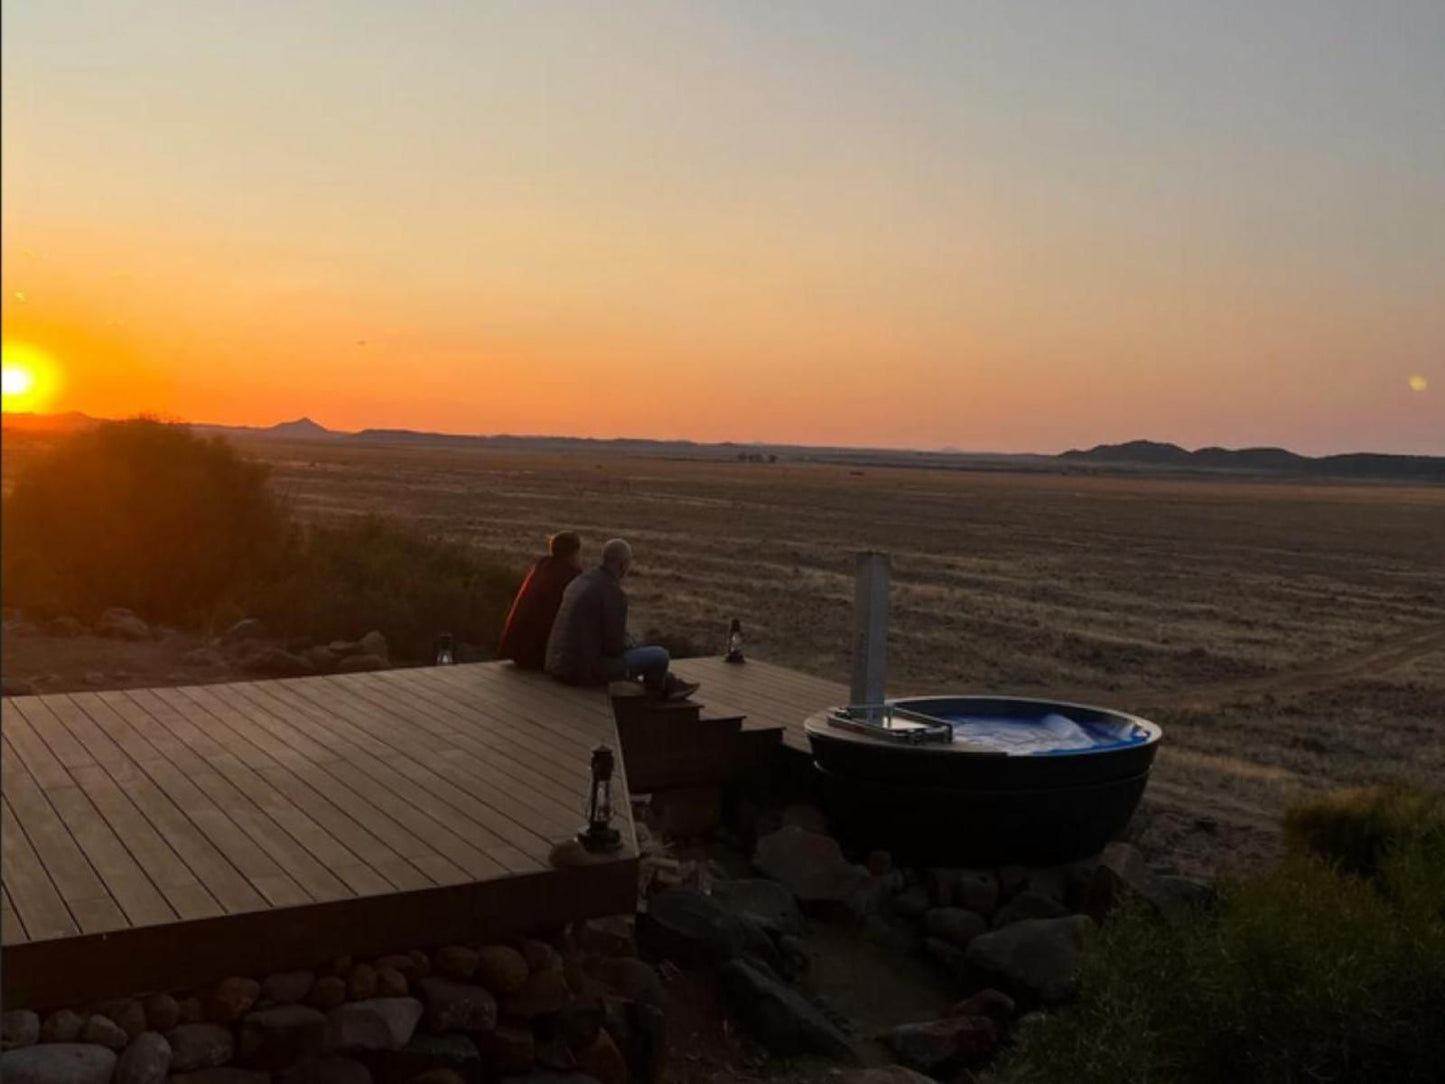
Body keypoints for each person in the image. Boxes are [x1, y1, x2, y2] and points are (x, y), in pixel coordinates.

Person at [545, 538, 700, 699]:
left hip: (557, 665)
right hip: (582, 671)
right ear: (624, 565)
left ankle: (669, 683)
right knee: (660, 655)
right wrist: (630, 645)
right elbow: (614, 648)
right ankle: (658, 697)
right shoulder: (612, 593)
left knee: (638, 649)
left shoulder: (580, 581)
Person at [497, 531, 584, 670]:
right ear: (573, 554)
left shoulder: (543, 567)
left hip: (516, 648)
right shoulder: (568, 576)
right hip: (536, 653)